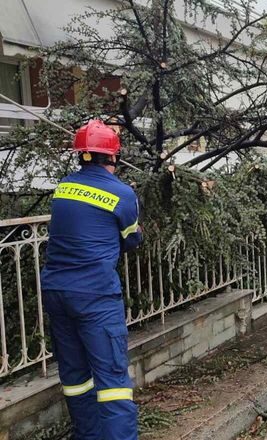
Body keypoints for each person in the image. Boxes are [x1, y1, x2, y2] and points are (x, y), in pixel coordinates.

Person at [41, 120, 142, 439]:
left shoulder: (63, 187)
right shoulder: (123, 194)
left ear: (81, 155)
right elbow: (129, 239)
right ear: (113, 157)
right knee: (113, 383)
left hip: (56, 291)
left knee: (75, 377)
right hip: (95, 296)